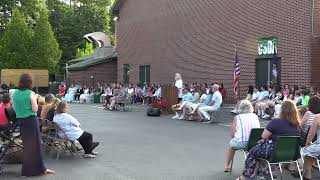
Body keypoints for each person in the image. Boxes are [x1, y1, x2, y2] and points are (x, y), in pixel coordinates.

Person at [237, 100, 301, 180]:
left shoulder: (276, 122)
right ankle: (267, 173)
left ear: (282, 110)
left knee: (253, 152)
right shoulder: (297, 124)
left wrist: (267, 139)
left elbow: (264, 136)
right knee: (262, 151)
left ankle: (245, 177)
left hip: (274, 152)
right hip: (291, 154)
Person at [12, 73, 54, 176]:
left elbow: (14, 107)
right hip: (31, 120)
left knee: (27, 146)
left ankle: (28, 171)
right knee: (36, 146)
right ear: (29, 82)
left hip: (21, 121)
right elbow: (35, 109)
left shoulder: (15, 93)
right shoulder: (30, 93)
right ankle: (40, 169)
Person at [224, 100, 260, 172]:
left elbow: (232, 134)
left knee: (231, 145)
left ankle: (227, 165)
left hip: (242, 143)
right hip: (254, 143)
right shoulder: (255, 116)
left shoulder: (237, 117)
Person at [302, 114, 320, 180]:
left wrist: (308, 143)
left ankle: (306, 175)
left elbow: (311, 133)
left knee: (307, 154)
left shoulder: (318, 117)